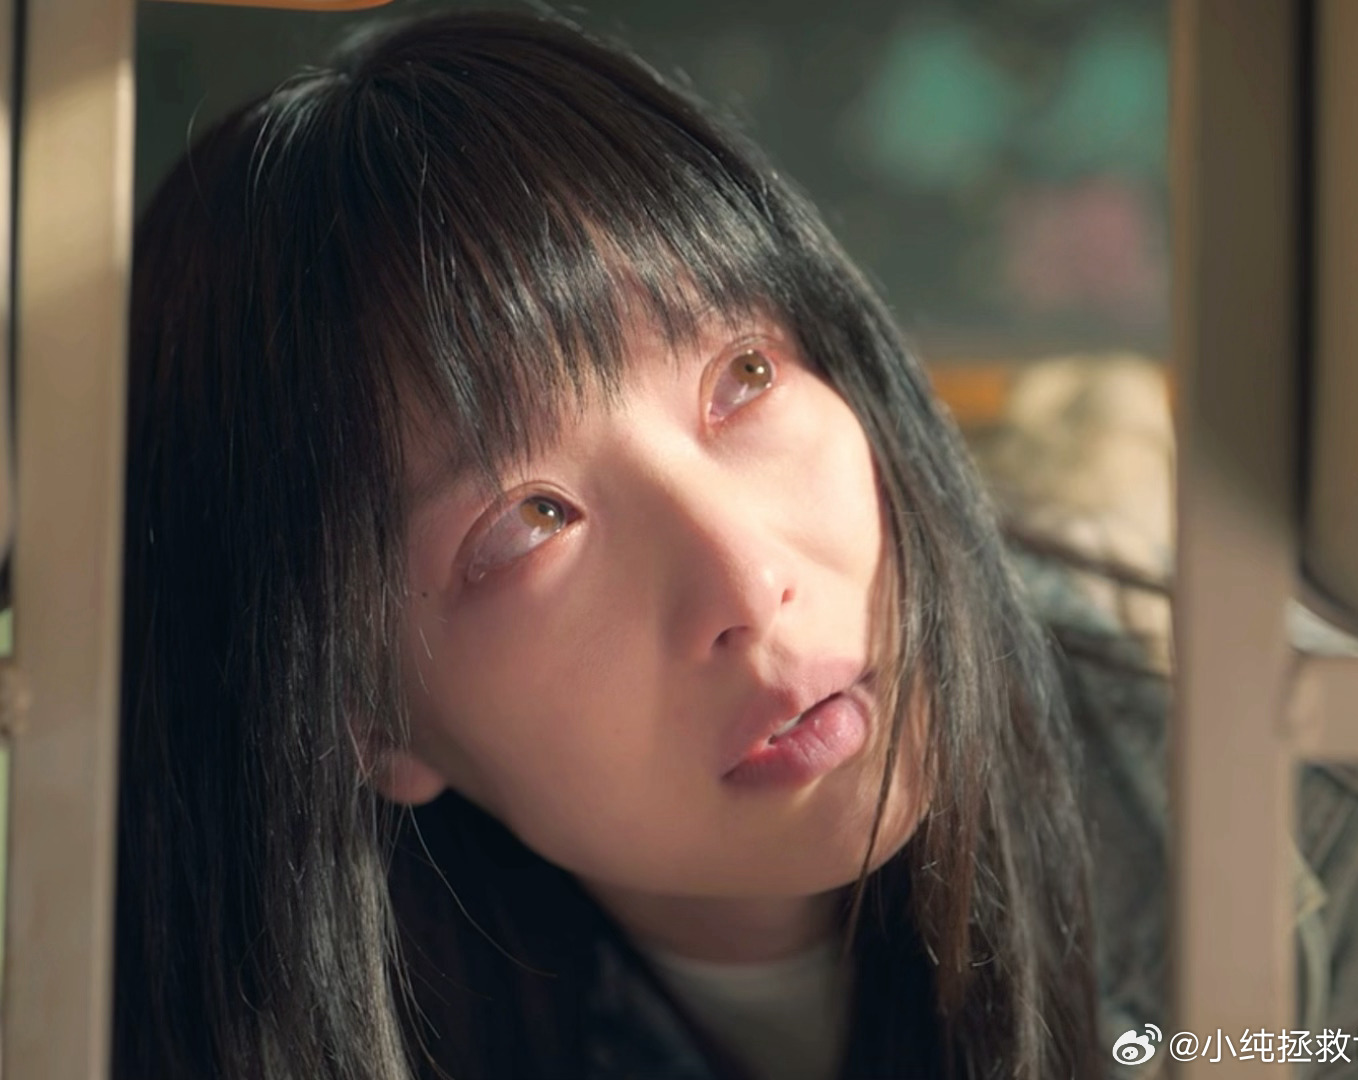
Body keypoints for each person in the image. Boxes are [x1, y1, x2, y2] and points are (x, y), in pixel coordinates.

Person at [116, 10, 1156, 1080]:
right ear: (365, 718)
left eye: (744, 377)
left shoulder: (1237, 815)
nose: (750, 579)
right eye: (528, 520)